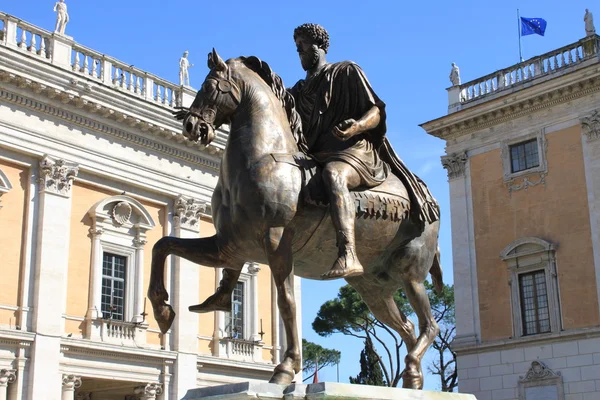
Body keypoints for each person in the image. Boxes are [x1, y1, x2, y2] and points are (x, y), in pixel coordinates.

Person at [195, 23, 439, 310]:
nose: (299, 53)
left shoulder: (346, 71)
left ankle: (348, 252)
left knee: (335, 176)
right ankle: (226, 287)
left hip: (353, 151)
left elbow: (376, 111)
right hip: (316, 155)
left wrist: (357, 126)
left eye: (303, 46)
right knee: (256, 205)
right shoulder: (297, 91)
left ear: (320, 46)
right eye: (297, 48)